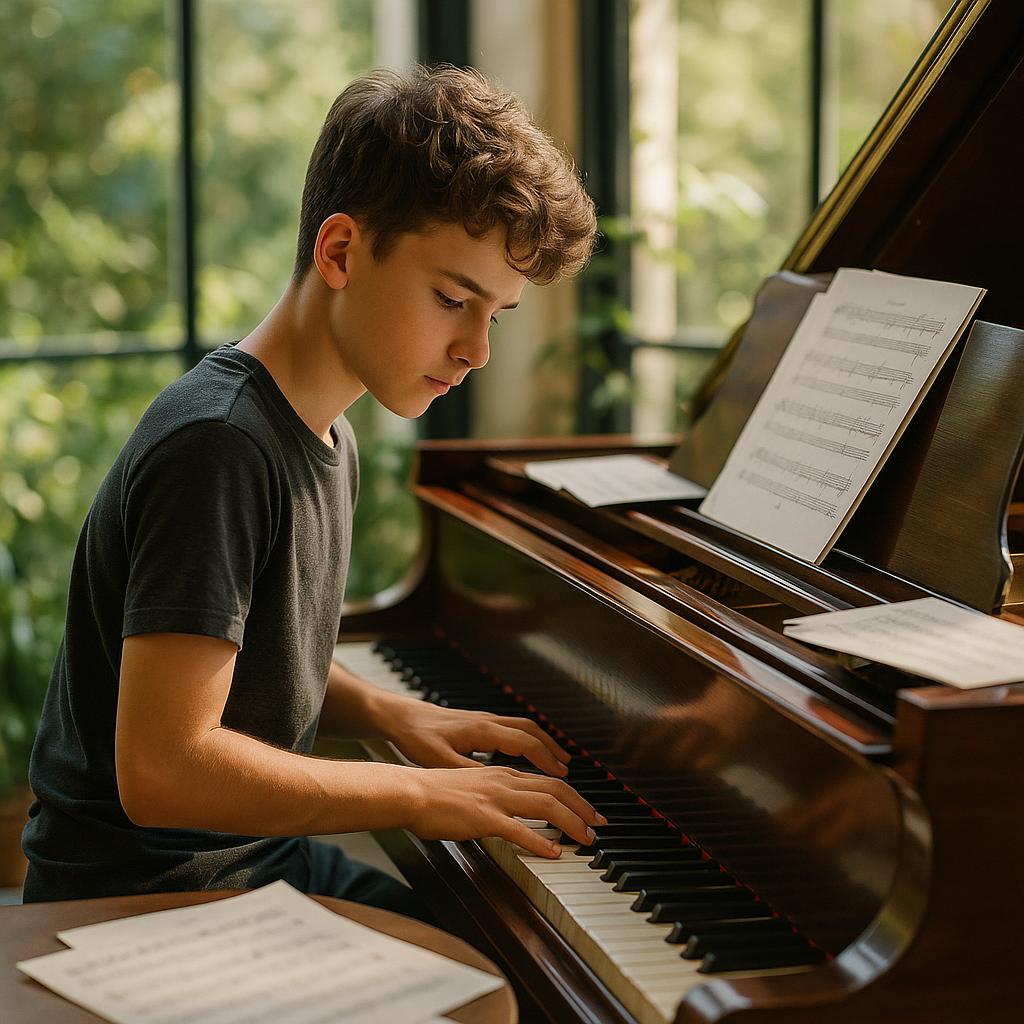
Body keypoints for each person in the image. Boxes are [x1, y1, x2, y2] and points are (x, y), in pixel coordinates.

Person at [21, 65, 603, 917]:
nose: (477, 349)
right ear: (339, 252)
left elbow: (244, 657)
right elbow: (164, 771)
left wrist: (390, 714)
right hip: (142, 900)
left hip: (255, 867)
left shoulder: (326, 430)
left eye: (497, 315)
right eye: (452, 298)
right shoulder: (218, 447)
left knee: (496, 937)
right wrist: (415, 796)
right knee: (492, 996)